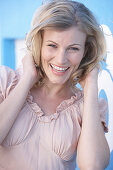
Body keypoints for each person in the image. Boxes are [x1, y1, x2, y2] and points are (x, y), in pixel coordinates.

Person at [0, 0, 110, 170]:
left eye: (73, 48)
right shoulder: (5, 81)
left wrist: (91, 85)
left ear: (85, 51)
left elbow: (93, 166)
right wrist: (28, 78)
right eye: (52, 45)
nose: (61, 59)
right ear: (39, 43)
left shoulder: (90, 106)